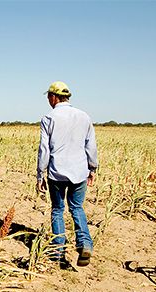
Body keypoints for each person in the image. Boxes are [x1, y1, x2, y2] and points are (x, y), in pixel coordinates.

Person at [36, 81, 98, 267]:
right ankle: (85, 244)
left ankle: (58, 251)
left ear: (54, 97)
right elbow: (91, 145)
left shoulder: (49, 118)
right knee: (76, 208)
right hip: (79, 171)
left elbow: (44, 150)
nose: (48, 99)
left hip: (57, 173)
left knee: (57, 210)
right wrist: (92, 168)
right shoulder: (84, 116)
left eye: (48, 96)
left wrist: (40, 173)